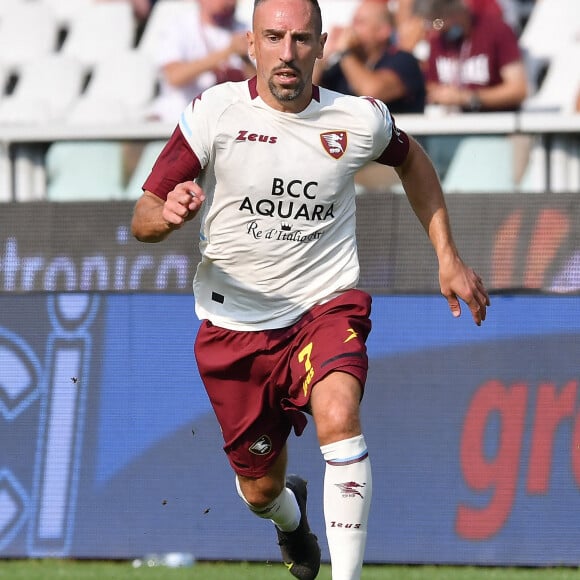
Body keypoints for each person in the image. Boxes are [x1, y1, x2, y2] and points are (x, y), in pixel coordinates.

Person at [131, 0, 490, 578]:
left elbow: (413, 161)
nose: (288, 52)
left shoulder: (358, 119)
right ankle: (291, 523)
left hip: (322, 309)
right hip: (234, 329)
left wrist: (447, 256)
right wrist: (167, 214)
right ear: (252, 44)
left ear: (323, 45)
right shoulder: (213, 111)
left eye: (301, 39)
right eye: (274, 37)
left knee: (339, 412)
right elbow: (142, 215)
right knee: (260, 491)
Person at [146, 0, 255, 122]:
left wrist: (245, 60)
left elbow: (260, 87)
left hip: (230, 120)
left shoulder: (245, 29)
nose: (228, 2)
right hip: (180, 117)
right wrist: (226, 52)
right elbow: (174, 77)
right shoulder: (179, 27)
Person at [315, 0, 426, 114]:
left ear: (383, 31)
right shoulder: (343, 66)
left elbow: (372, 92)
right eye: (353, 22)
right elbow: (309, 93)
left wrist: (345, 52)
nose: (351, 28)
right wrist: (321, 56)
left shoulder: (404, 61)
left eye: (360, 22)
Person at [424, 0, 527, 113]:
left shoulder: (497, 30)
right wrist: (438, 94)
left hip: (496, 119)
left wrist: (468, 98)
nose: (442, 25)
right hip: (451, 121)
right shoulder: (438, 39)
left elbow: (518, 90)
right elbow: (431, 85)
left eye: (445, 16)